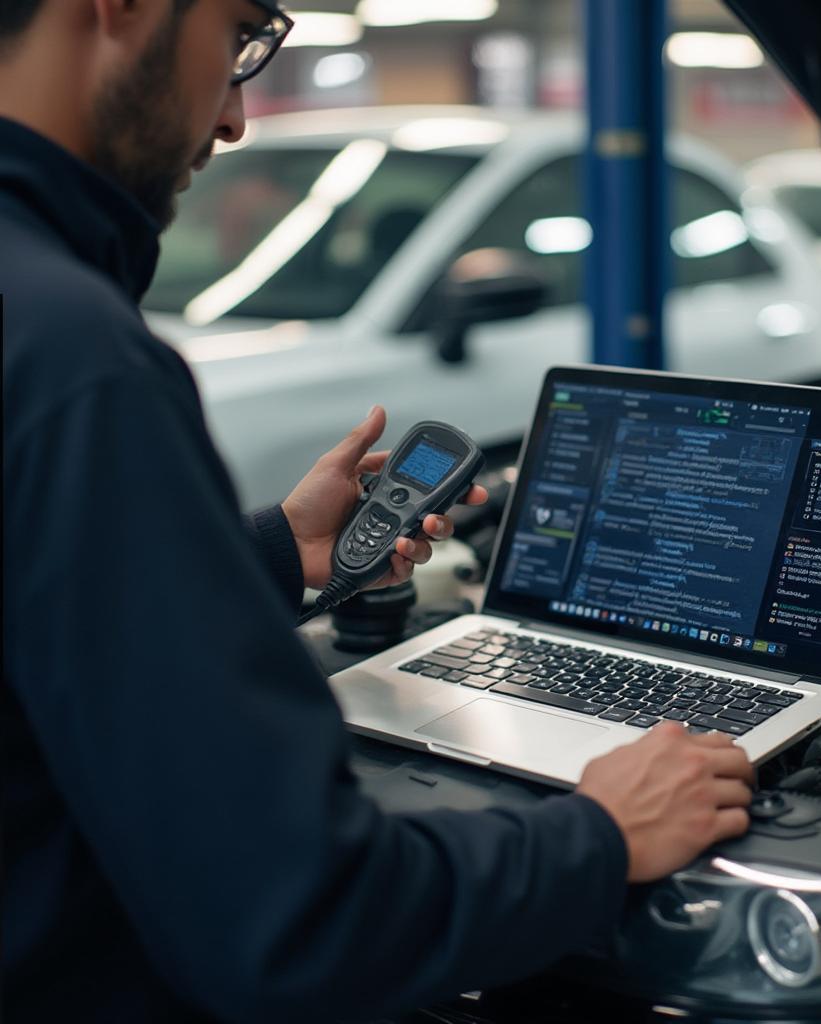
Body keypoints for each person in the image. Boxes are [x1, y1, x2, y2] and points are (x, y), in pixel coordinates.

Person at [0, 2, 755, 1021]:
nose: (233, 118)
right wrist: (603, 832)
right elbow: (298, 921)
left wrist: (273, 553)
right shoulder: (76, 356)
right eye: (240, 36)